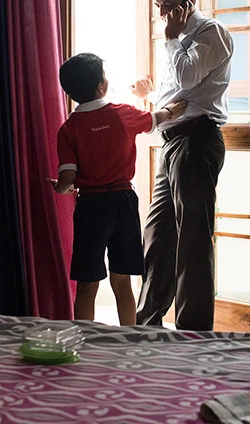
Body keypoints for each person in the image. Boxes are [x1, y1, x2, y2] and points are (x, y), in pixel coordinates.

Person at [51, 52, 186, 325]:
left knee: (88, 283)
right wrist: (174, 109)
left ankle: (85, 338)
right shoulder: (123, 114)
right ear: (102, 86)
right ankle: (130, 340)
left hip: (90, 206)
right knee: (123, 280)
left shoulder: (68, 129)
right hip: (124, 202)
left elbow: (67, 178)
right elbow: (155, 118)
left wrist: (61, 188)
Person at [132, 0, 233, 331]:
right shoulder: (175, 36)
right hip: (172, 143)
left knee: (192, 238)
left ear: (189, 3)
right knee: (157, 236)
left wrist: (172, 40)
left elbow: (189, 78)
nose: (164, 15)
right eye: (159, 7)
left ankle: (193, 333)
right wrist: (150, 97)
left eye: (170, 6)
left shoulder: (212, 32)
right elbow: (178, 93)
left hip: (197, 141)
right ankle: (147, 326)